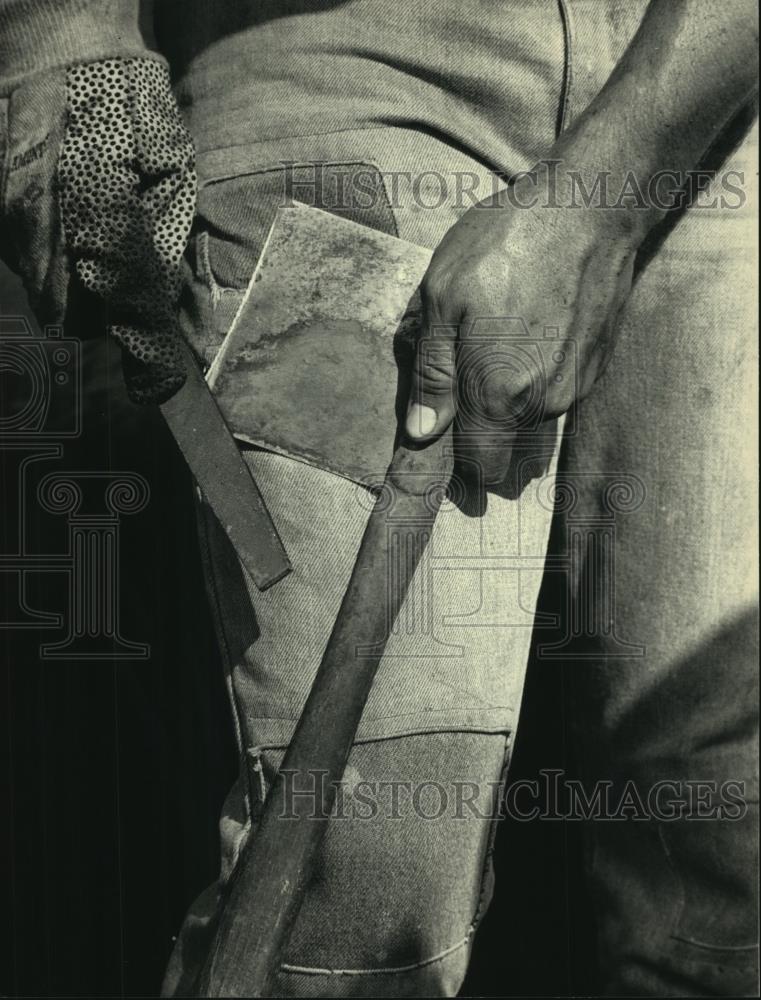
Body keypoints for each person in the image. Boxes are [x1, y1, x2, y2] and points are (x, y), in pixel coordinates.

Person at [1, 0, 757, 996]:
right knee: (361, 873)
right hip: (340, 62)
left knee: (721, 850)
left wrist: (597, 199)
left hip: (706, 83)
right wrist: (62, 27)